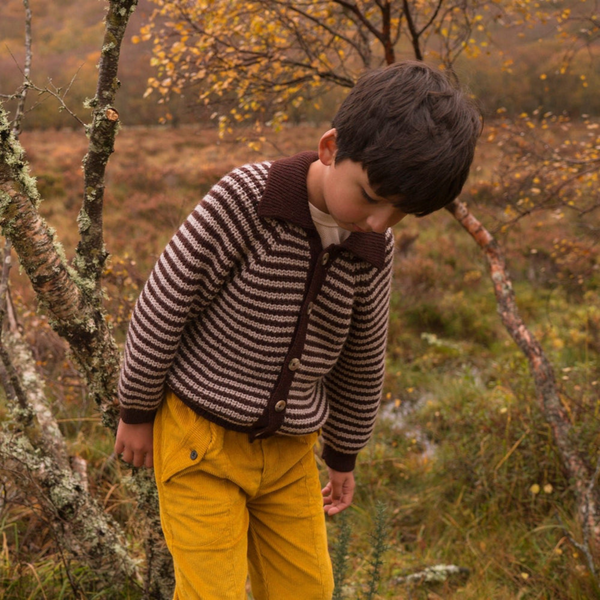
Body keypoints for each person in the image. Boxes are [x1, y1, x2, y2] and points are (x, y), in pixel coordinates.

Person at [114, 60, 481, 599]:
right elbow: (163, 306)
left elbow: (362, 358)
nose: (380, 222)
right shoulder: (246, 200)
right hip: (200, 441)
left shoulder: (373, 246)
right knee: (211, 593)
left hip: (290, 456)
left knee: (306, 589)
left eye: (401, 213)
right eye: (372, 196)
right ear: (331, 148)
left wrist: (343, 454)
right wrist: (137, 411)